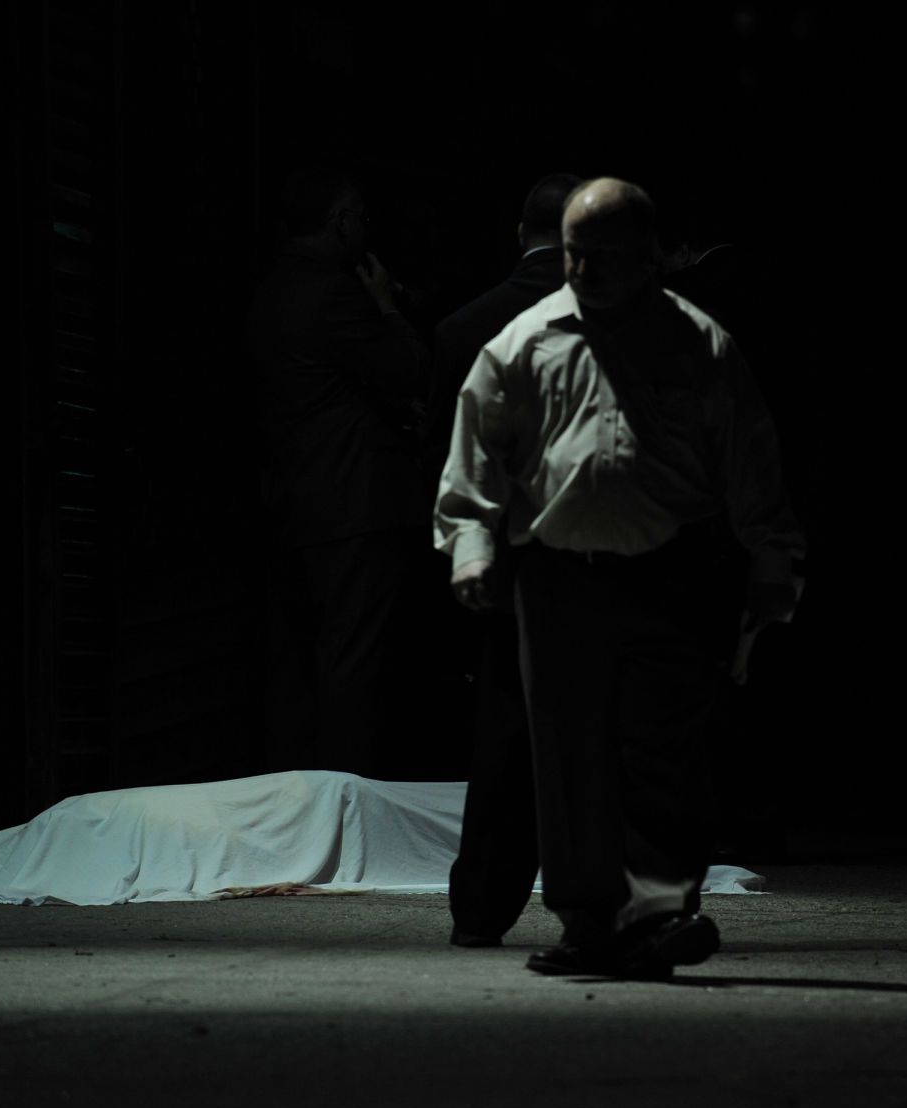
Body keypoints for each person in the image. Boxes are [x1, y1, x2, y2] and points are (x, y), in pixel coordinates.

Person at [434, 178, 804, 978]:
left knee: (662, 749)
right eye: (575, 255)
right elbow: (475, 462)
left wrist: (774, 567)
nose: (588, 273)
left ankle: (663, 913)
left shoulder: (700, 345)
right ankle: (588, 923)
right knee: (567, 756)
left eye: (607, 257)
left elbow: (752, 467)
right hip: (557, 577)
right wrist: (472, 549)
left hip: (670, 571)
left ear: (647, 257)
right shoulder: (524, 342)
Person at [427, 173, 580, 949]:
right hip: (609, 548)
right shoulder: (645, 327)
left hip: (519, 554)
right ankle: (613, 903)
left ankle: (483, 905)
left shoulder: (472, 330)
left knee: (508, 732)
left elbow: (464, 461)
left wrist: (470, 551)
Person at [247, 172, 429, 778]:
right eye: (360, 219)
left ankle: (298, 806)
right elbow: (406, 372)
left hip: (294, 502)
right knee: (353, 667)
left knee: (299, 670)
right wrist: (385, 305)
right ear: (339, 219)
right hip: (352, 503)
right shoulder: (334, 292)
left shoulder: (270, 291)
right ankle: (345, 810)